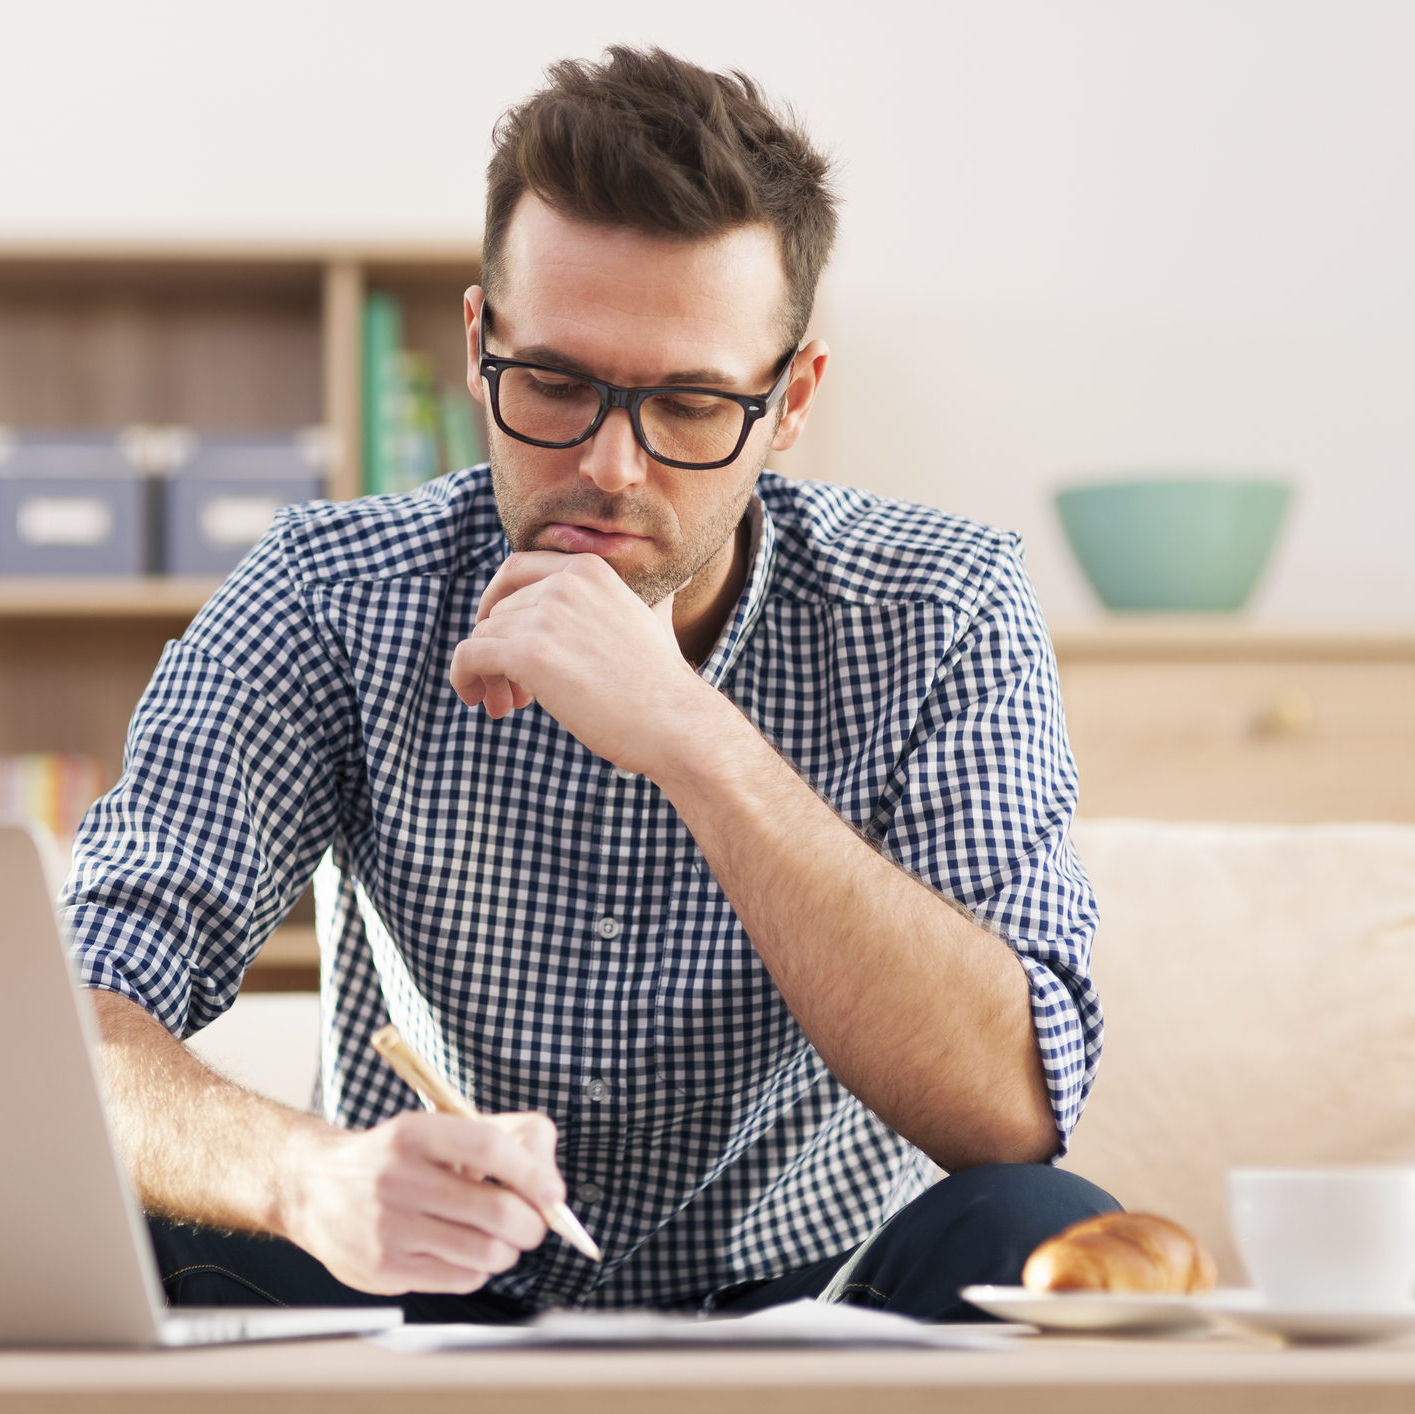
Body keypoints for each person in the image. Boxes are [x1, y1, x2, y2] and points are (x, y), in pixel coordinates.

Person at [63, 47, 1112, 1324]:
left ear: (792, 403)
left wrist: (688, 731)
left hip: (822, 1309)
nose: (612, 468)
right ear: (477, 344)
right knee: (103, 1224)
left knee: (1038, 1229)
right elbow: (70, 1015)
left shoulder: (943, 607)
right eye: (554, 383)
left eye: (687, 404)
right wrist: (304, 1179)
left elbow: (1013, 1106)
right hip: (427, 1299)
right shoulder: (327, 596)